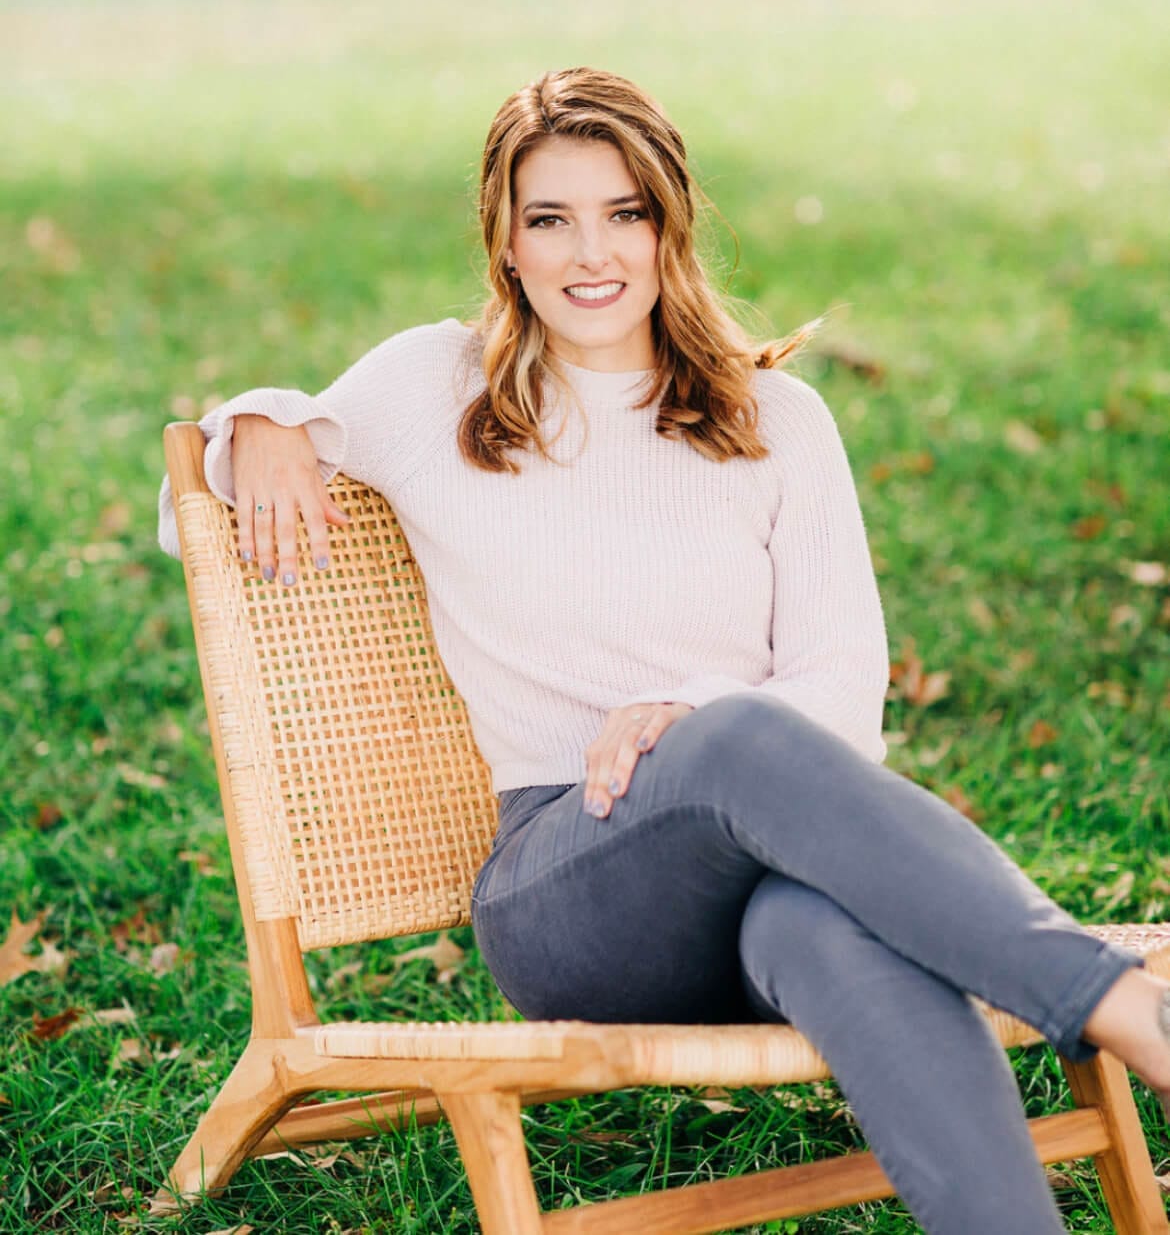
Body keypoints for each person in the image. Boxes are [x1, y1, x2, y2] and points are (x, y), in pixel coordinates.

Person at [158, 65, 1170, 1234]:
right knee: (741, 732)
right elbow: (203, 487)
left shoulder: (777, 421)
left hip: (769, 892)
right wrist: (264, 423)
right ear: (507, 242)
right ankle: (1118, 1008)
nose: (591, 254)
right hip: (570, 890)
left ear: (668, 223)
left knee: (829, 928)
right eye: (551, 219)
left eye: (623, 213)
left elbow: (847, 700)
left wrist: (690, 714)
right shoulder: (440, 385)